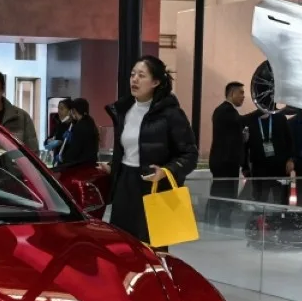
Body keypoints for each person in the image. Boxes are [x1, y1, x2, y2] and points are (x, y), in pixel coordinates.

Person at [105, 56, 198, 244]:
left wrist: (165, 171)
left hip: (155, 187)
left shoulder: (171, 114)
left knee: (154, 248)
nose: (134, 80)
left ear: (155, 82)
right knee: (124, 245)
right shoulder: (124, 110)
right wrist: (113, 166)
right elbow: (127, 149)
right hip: (125, 184)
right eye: (132, 75)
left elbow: (190, 154)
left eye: (141, 75)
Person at [208, 82, 249, 226]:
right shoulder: (225, 111)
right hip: (224, 162)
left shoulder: (227, 112)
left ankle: (218, 223)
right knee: (223, 195)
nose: (243, 97)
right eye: (241, 93)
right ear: (232, 93)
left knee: (223, 193)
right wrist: (259, 113)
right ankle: (219, 223)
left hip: (226, 162)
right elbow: (240, 121)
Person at [242, 89, 294, 205]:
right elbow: (244, 146)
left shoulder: (280, 118)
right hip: (260, 167)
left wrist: (290, 159)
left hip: (280, 166)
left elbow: (289, 141)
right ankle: (259, 221)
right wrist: (245, 167)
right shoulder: (249, 120)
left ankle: (280, 220)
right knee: (260, 198)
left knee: (281, 198)